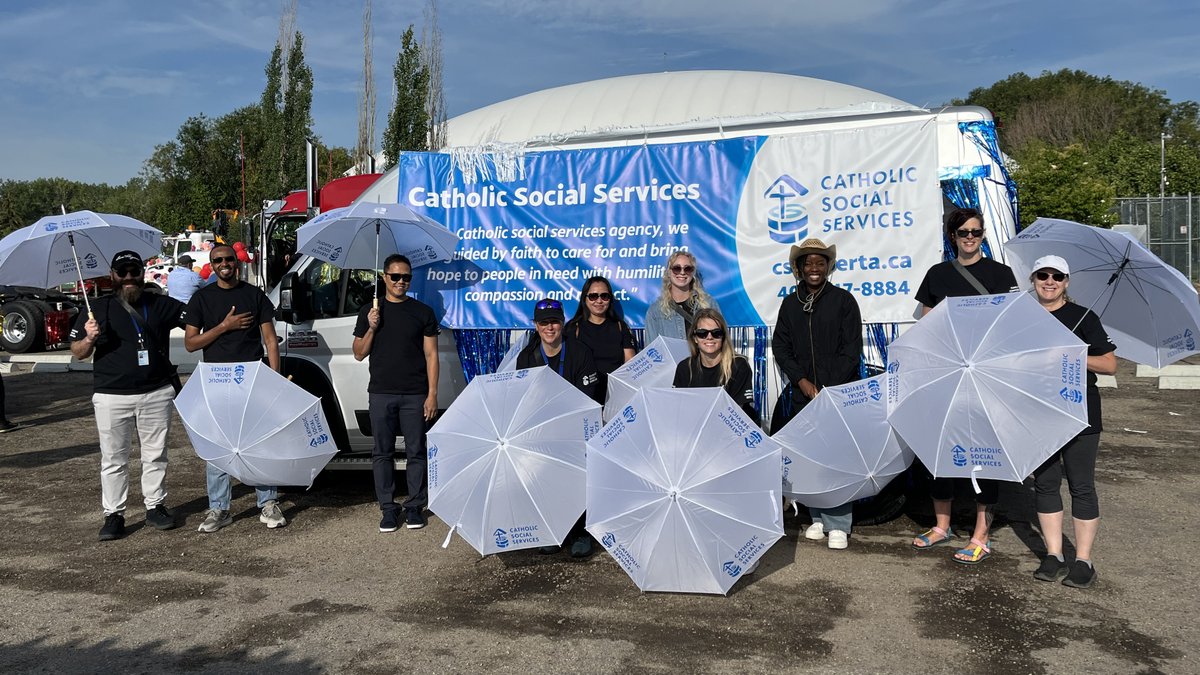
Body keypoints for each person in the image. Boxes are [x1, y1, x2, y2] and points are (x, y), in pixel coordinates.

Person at [910, 207, 1019, 563]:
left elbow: (1009, 324)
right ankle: (941, 527)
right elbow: (927, 326)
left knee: (985, 456)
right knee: (941, 451)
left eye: (975, 232)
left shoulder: (1000, 274)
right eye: (962, 232)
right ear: (952, 236)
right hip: (947, 375)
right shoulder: (938, 274)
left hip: (986, 375)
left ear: (983, 235)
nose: (969, 237)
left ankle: (980, 536)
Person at [69, 250, 187, 541]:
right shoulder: (97, 308)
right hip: (111, 396)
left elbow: (198, 320)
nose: (129, 278)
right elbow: (79, 353)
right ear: (113, 276)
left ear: (143, 273)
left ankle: (155, 506)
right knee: (113, 458)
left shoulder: (161, 304)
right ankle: (114, 515)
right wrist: (89, 338)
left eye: (134, 271)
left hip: (156, 392)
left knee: (155, 455)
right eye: (123, 272)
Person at [1028, 255, 1117, 588]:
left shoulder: (1084, 317)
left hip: (1080, 413)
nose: (1049, 281)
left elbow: (1109, 365)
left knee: (1081, 486)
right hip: (1039, 412)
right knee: (1046, 484)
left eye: (1057, 276)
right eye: (1042, 275)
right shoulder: (1023, 318)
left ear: (1066, 282)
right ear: (1033, 280)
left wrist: (1073, 354)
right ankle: (1053, 554)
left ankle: (1083, 560)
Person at [184, 243, 286, 532]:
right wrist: (223, 327)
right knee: (217, 445)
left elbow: (270, 340)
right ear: (212, 265)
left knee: (259, 441)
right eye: (218, 260)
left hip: (252, 377)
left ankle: (267, 502)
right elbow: (191, 344)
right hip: (216, 380)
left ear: (237, 262)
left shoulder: (254, 295)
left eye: (229, 258)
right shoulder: (201, 299)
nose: (225, 263)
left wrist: (275, 380)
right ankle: (219, 508)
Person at [771, 237, 863, 550]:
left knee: (835, 458)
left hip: (835, 394)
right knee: (810, 457)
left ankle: (838, 522)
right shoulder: (789, 303)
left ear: (828, 266)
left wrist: (827, 386)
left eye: (820, 262)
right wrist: (802, 381)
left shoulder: (843, 301)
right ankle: (817, 518)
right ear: (798, 268)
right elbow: (780, 348)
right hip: (802, 393)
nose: (814, 268)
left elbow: (852, 350)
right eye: (807, 262)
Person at [352, 254, 440, 533]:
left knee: (416, 452)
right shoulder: (370, 311)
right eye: (395, 277)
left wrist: (432, 394)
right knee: (382, 453)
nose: (401, 282)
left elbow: (431, 355)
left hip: (415, 393)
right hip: (381, 393)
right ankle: (388, 509)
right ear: (384, 278)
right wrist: (372, 327)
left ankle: (414, 506)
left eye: (406, 277)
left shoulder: (423, 312)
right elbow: (358, 353)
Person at [516, 297, 600, 557]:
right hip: (542, 430)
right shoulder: (527, 357)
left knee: (579, 477)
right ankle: (554, 529)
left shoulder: (580, 352)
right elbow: (524, 399)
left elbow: (588, 398)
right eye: (543, 323)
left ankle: (581, 532)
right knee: (543, 476)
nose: (549, 328)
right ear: (535, 325)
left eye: (554, 322)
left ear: (562, 323)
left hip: (575, 428)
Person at [672, 308, 759, 425]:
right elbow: (678, 408)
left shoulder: (738, 365)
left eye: (716, 333)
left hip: (732, 428)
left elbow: (735, 413)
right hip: (695, 427)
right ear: (695, 338)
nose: (709, 337)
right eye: (702, 333)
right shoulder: (684, 368)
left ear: (723, 337)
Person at [564, 276, 636, 403]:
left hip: (615, 397)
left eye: (604, 296)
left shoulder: (620, 326)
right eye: (593, 296)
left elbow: (630, 365)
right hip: (584, 397)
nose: (599, 300)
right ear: (584, 299)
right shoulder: (573, 328)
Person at [645, 250, 719, 343]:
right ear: (669, 272)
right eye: (677, 268)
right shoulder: (655, 311)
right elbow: (652, 350)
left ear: (693, 273)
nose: (682, 272)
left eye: (687, 268)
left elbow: (720, 339)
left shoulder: (709, 304)